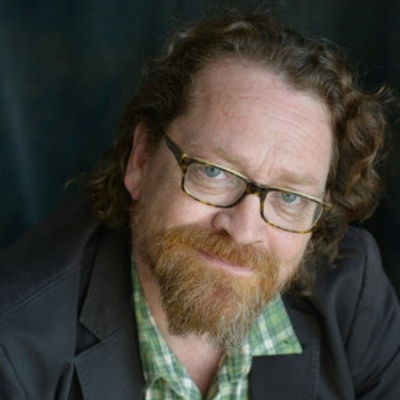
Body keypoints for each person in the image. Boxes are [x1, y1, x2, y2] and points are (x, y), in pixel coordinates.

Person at [0, 9, 399, 400]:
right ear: (141, 159)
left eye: (290, 196)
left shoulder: (353, 289)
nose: (244, 229)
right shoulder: (14, 349)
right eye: (214, 171)